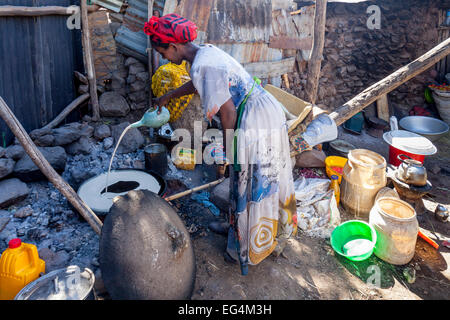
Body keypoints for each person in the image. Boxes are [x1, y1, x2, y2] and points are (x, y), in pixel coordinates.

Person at [144, 13, 297, 275]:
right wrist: (169, 96)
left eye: (163, 52)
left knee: (254, 180)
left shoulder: (204, 64)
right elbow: (199, 84)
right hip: (260, 109)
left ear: (174, 46)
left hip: (254, 118)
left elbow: (228, 112)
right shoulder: (203, 53)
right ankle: (236, 228)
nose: (164, 58)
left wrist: (228, 150)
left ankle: (247, 245)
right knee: (246, 179)